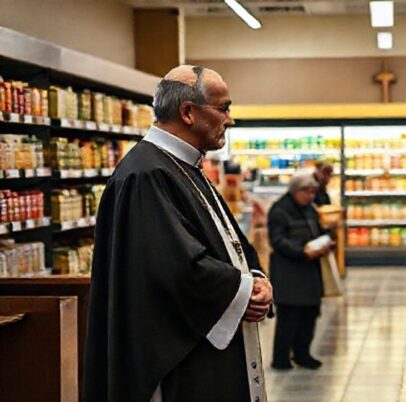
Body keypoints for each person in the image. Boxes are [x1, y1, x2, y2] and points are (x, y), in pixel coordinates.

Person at [83, 65, 273, 402]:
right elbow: (174, 268)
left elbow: (227, 241)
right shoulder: (146, 174)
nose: (229, 120)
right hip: (182, 359)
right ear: (188, 112)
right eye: (224, 108)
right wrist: (243, 292)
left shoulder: (183, 164)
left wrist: (255, 277)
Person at [268, 173, 332, 370]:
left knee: (309, 315)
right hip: (289, 272)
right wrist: (302, 252)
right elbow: (277, 241)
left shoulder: (309, 209)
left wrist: (327, 240)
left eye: (314, 192)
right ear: (296, 191)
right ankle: (281, 358)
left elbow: (318, 231)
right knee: (289, 318)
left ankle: (302, 353)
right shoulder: (280, 211)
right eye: (308, 192)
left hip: (309, 271)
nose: (312, 196)